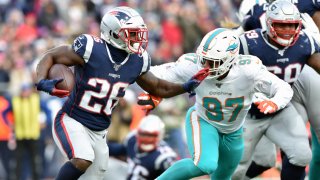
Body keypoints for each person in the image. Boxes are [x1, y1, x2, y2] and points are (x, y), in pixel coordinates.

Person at [34, 6, 209, 180]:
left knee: (95, 175)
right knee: (82, 159)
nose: (137, 38)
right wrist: (41, 80)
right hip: (73, 119)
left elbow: (158, 87)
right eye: (132, 33)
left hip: (100, 130)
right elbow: (51, 56)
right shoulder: (91, 49)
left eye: (138, 33)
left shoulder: (137, 61)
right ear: (113, 33)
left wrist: (185, 87)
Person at [138, 28, 293, 180]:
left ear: (229, 60)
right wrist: (154, 92)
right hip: (203, 120)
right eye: (203, 59)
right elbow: (152, 74)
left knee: (223, 177)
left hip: (234, 132)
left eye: (212, 62)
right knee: (205, 165)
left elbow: (283, 87)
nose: (205, 66)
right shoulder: (192, 64)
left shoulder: (248, 71)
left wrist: (275, 102)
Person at [233, 1, 320, 179]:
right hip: (248, 112)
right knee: (239, 168)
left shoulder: (305, 42)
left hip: (281, 108)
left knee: (301, 154)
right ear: (269, 23)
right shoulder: (248, 42)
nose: (287, 30)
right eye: (281, 25)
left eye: (292, 26)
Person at [107, 114, 177, 180]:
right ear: (138, 133)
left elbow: (175, 176)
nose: (146, 139)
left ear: (160, 136)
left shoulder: (164, 156)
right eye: (143, 134)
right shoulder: (132, 140)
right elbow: (121, 149)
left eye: (151, 135)